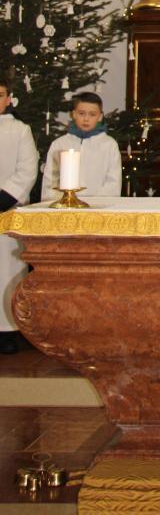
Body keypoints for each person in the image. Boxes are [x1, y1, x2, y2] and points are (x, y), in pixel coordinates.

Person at [0, 76, 39, 353]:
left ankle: (7, 330)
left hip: (7, 209)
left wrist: (4, 197)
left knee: (7, 271)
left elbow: (27, 168)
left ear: (8, 99)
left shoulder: (19, 130)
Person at [41, 92, 122, 200]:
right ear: (74, 114)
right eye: (81, 113)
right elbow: (51, 179)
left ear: (100, 117)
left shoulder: (109, 145)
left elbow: (113, 182)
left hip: (98, 206)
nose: (86, 119)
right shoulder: (59, 144)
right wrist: (61, 202)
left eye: (92, 114)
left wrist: (95, 203)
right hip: (65, 205)